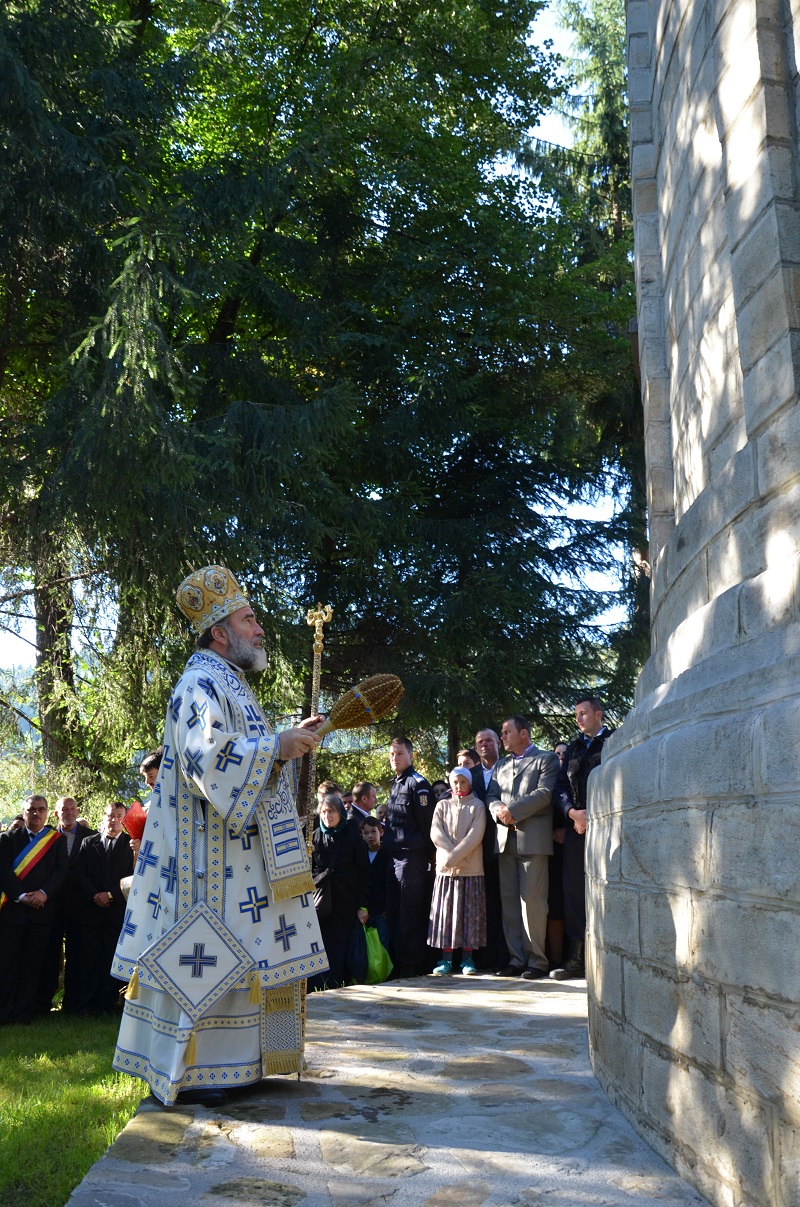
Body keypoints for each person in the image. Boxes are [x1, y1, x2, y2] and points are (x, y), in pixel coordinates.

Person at [111, 564, 328, 1106]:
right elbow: (204, 758)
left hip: (242, 866)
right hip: (207, 869)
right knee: (214, 958)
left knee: (248, 959)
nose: (259, 630)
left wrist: (289, 744)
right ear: (218, 632)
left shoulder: (229, 684)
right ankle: (205, 1072)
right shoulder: (199, 683)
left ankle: (243, 1064)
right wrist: (274, 747)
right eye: (249, 619)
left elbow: (252, 765)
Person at [487, 716, 560, 980]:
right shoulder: (501, 765)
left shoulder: (546, 759)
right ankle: (516, 959)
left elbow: (544, 794)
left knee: (533, 903)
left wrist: (512, 811)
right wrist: (499, 811)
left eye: (506, 732)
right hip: (505, 840)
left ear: (524, 734)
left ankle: (537, 962)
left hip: (534, 841)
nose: (502, 737)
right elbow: (491, 795)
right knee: (509, 903)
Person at [551, 695, 613, 981]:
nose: (579, 718)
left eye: (584, 713)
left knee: (605, 888)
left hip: (605, 827)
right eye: (576, 714)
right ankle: (577, 958)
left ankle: (606, 956)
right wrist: (573, 813)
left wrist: (593, 814)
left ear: (599, 714)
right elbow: (561, 786)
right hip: (578, 828)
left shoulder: (613, 742)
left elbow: (616, 780)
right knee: (574, 891)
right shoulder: (574, 748)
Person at [0, 795, 68, 1023]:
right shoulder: (8, 839)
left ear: (48, 812)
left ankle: (23, 1014)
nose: (36, 814)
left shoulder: (56, 840)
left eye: (41, 810)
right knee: (6, 965)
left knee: (32, 965)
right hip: (13, 912)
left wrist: (43, 893)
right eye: (31, 810)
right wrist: (20, 895)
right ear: (24, 811)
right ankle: (3, 1012)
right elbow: (3, 871)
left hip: (42, 912)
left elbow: (61, 871)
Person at [74, 803, 135, 1014]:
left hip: (116, 911)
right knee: (88, 957)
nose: (114, 820)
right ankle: (87, 1005)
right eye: (110, 815)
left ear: (124, 819)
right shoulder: (88, 843)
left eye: (119, 816)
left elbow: (134, 878)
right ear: (104, 816)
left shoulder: (132, 844)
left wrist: (110, 895)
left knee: (111, 958)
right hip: (91, 910)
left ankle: (108, 1005)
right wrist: (95, 895)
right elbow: (79, 874)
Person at [38, 797, 95, 1015]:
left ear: (77, 811)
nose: (69, 812)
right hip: (49, 906)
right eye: (64, 809)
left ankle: (73, 1004)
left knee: (77, 955)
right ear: (56, 814)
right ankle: (43, 1003)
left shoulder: (91, 838)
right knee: (48, 955)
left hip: (80, 908)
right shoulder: (47, 837)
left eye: (72, 809)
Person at [383, 737, 434, 977]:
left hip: (412, 857)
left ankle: (411, 965)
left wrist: (430, 857)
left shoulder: (418, 784)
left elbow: (427, 825)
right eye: (392, 754)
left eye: (399, 754)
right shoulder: (396, 783)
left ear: (410, 755)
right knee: (394, 911)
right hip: (393, 857)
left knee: (409, 913)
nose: (395, 758)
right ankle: (399, 961)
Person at [428, 768, 486, 976]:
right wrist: (448, 855)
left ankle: (467, 959)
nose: (459, 786)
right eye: (455, 782)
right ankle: (445, 960)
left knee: (469, 916)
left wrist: (453, 857)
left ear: (469, 783)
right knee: (446, 916)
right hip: (446, 872)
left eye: (463, 782)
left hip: (470, 869)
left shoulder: (477, 806)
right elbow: (436, 832)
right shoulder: (442, 806)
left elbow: (475, 835)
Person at [309, 795, 370, 990]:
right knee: (320, 943)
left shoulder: (351, 834)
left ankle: (335, 985)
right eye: (324, 811)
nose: (327, 816)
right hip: (321, 901)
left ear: (340, 812)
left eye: (332, 811)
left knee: (339, 945)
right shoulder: (315, 835)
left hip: (345, 901)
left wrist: (362, 905)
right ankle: (316, 985)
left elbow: (364, 872)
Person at [473, 728, 507, 970]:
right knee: (484, 904)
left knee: (505, 902)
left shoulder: (510, 767)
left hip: (507, 844)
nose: (484, 745)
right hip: (477, 849)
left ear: (499, 743)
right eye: (480, 742)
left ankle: (505, 954)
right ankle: (485, 955)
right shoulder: (469, 775)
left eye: (489, 740)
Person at [360, 815, 390, 950]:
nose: (370, 836)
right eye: (366, 833)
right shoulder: (360, 854)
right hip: (365, 910)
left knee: (382, 944)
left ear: (381, 832)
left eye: (373, 832)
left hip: (382, 910)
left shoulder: (388, 854)